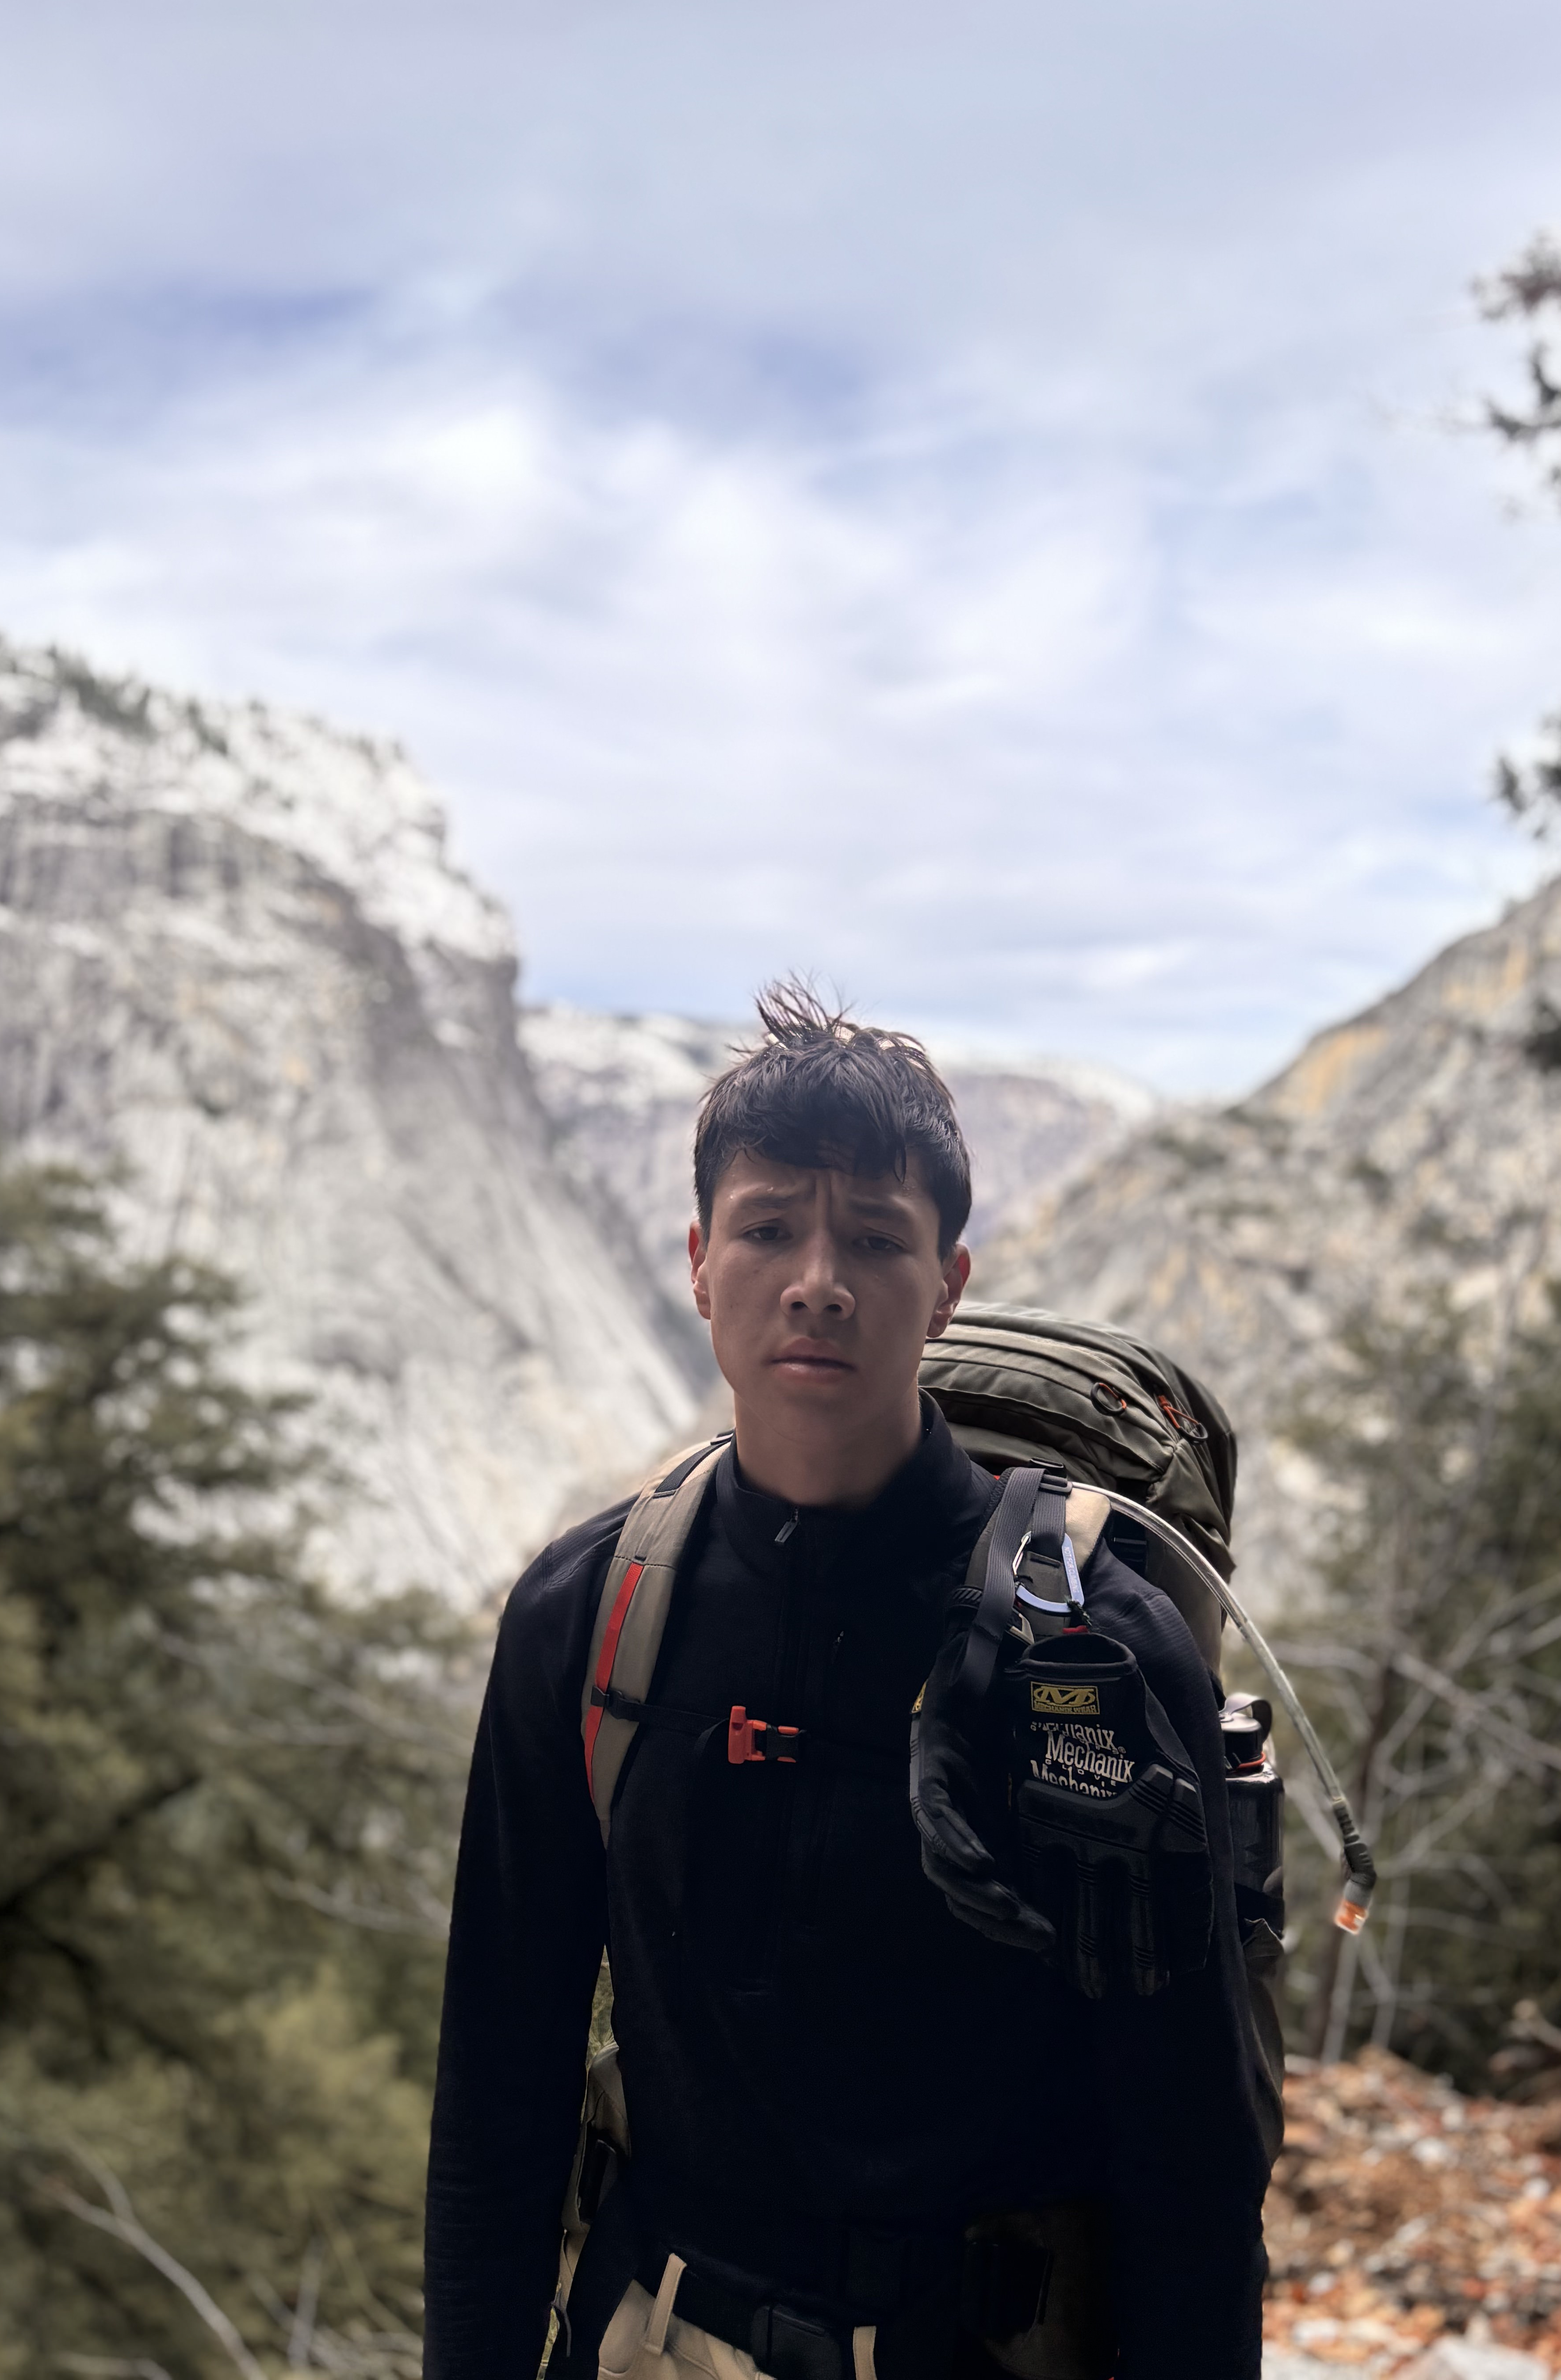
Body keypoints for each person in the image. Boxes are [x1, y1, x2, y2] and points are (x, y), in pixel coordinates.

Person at [424, 982, 1269, 2380]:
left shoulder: (1096, 1656)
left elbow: (1184, 2158)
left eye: (874, 1238)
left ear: (945, 1283)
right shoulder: (587, 1622)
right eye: (767, 1229)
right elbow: (496, 2098)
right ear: (700, 1262)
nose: (816, 1277)